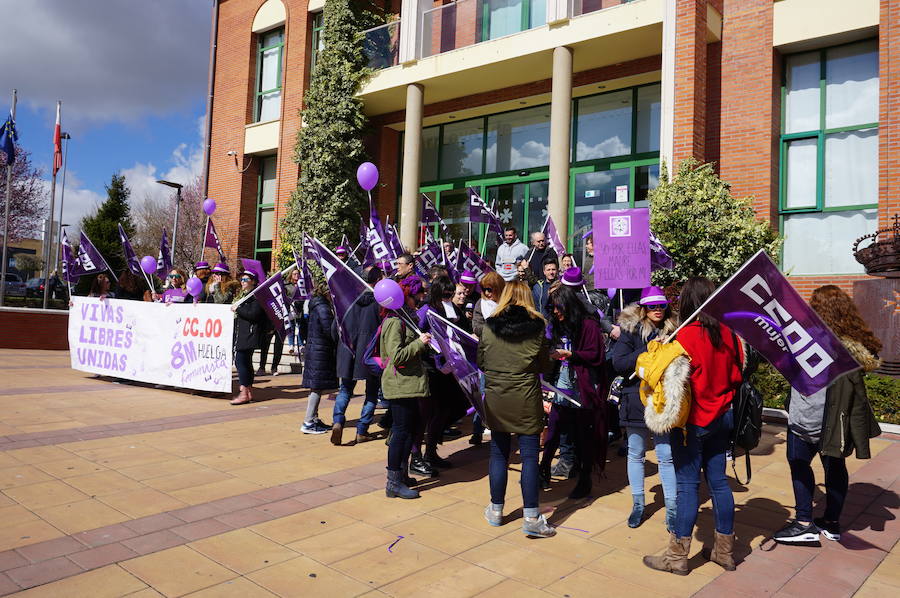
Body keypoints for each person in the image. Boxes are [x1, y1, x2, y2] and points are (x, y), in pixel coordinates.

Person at [643, 277, 744, 576]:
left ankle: (677, 558)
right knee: (719, 483)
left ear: (687, 302)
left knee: (687, 486)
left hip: (692, 422)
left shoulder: (684, 337)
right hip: (722, 417)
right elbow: (737, 377)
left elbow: (668, 383)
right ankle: (724, 553)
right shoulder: (730, 335)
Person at [773, 285, 882, 546]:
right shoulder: (854, 343)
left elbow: (788, 368)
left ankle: (802, 524)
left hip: (808, 416)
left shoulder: (810, 338)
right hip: (838, 421)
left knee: (799, 464)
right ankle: (831, 522)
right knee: (835, 468)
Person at [478, 280, 554, 537]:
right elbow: (544, 365)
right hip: (525, 396)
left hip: (497, 396)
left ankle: (496, 509)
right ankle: (531, 517)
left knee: (499, 453)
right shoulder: (538, 327)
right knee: (530, 457)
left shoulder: (489, 326)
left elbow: (481, 359)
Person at [609, 286, 678, 530]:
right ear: (643, 308)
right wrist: (648, 349)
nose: (657, 310)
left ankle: (672, 508)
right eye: (652, 306)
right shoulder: (630, 330)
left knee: (666, 456)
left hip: (663, 401)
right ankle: (638, 505)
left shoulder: (674, 330)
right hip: (635, 399)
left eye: (661, 305)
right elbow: (619, 363)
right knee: (636, 453)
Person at [540, 285, 608, 500]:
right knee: (553, 428)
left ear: (568, 305)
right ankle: (543, 470)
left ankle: (585, 478)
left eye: (558, 307)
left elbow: (595, 355)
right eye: (552, 308)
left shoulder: (588, 325)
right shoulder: (557, 325)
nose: (556, 312)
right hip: (562, 381)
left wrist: (570, 354)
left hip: (584, 386)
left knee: (583, 434)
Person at [381, 284, 432, 499]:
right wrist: (419, 344)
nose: (418, 299)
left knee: (408, 431)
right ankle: (393, 483)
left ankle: (401, 475)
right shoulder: (394, 322)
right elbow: (397, 356)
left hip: (409, 385)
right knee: (400, 433)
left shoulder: (405, 320)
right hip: (399, 385)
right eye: (414, 296)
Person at [414, 275, 469, 473]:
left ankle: (430, 452)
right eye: (445, 295)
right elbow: (415, 335)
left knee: (444, 411)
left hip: (447, 369)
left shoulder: (451, 309)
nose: (448, 298)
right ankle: (416, 457)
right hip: (429, 370)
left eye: (450, 295)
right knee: (424, 415)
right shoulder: (425, 311)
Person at [333, 266, 384, 446]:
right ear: (377, 280)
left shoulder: (347, 300)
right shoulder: (380, 302)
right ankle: (362, 430)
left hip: (347, 348)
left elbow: (335, 328)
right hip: (370, 352)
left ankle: (338, 421)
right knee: (371, 393)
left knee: (345, 390)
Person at [300, 283, 337, 434]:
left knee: (316, 386)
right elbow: (329, 330)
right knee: (316, 387)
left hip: (316, 350)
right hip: (320, 351)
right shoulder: (323, 308)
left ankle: (313, 418)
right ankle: (308, 421)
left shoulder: (317, 304)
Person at [230, 270, 267, 405]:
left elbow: (254, 314)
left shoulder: (256, 296)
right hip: (242, 333)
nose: (243, 282)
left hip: (250, 334)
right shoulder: (244, 295)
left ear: (253, 281)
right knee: (245, 362)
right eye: (242, 279)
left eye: (246, 280)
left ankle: (244, 392)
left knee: (241, 362)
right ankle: (248, 391)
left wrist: (238, 309)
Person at [471, 271, 505, 337]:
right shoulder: (481, 303)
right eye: (484, 289)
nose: (486, 293)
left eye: (489, 290)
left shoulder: (508, 303)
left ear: (498, 289)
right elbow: (477, 327)